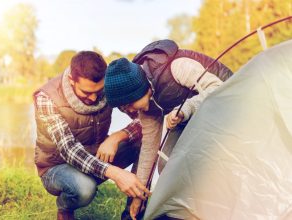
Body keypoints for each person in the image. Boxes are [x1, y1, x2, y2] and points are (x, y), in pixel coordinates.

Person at [104, 39, 233, 220]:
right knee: (166, 163)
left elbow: (218, 89)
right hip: (192, 117)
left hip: (229, 105)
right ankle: (185, 211)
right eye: (123, 109)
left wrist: (185, 109)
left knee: (204, 163)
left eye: (128, 105)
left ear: (139, 90)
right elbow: (149, 149)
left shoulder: (177, 67)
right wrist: (138, 197)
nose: (129, 112)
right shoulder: (146, 106)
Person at [33, 51, 150, 220]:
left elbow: (145, 120)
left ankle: (132, 212)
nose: (94, 98)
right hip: (57, 167)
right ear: (72, 80)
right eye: (87, 93)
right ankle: (65, 207)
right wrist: (116, 174)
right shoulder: (47, 98)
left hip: (95, 156)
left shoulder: (107, 87)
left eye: (99, 90)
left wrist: (117, 136)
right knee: (84, 188)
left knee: (142, 142)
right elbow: (69, 150)